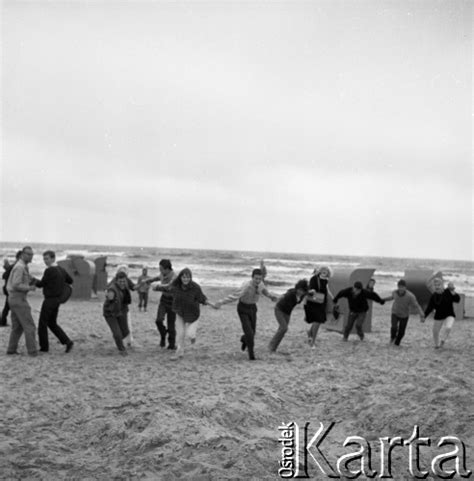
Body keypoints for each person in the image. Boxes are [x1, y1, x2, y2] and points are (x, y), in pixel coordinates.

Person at [215, 268, 279, 361]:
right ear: (252, 277)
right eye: (256, 278)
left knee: (252, 333)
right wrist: (221, 302)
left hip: (253, 308)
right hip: (243, 308)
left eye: (259, 279)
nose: (257, 281)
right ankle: (251, 355)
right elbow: (234, 296)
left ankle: (244, 339)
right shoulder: (246, 286)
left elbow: (264, 291)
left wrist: (271, 297)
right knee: (249, 332)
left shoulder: (260, 284)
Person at [167, 268, 217, 359]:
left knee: (190, 334)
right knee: (180, 333)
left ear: (190, 278)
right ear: (180, 277)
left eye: (188, 277)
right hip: (180, 312)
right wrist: (156, 287)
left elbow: (202, 298)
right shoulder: (176, 286)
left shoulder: (195, 287)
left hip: (193, 314)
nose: (185, 279)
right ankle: (179, 352)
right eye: (184, 277)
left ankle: (193, 337)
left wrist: (212, 304)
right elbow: (167, 288)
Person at [34, 250, 74, 353]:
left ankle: (44, 347)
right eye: (44, 259)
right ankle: (67, 341)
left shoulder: (49, 270)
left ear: (53, 258)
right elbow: (70, 281)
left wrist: (33, 280)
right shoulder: (61, 269)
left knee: (42, 323)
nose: (45, 261)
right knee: (52, 323)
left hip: (49, 300)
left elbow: (41, 284)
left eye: (47, 258)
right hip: (57, 300)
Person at [6, 246, 38, 356]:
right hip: (18, 298)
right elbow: (16, 284)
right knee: (29, 326)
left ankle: (11, 349)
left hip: (13, 298)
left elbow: (23, 279)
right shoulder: (20, 267)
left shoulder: (21, 266)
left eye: (32, 254)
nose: (31, 256)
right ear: (22, 255)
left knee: (17, 327)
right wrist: (30, 288)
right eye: (28, 254)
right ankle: (32, 351)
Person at [268, 279, 309, 353]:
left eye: (302, 291)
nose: (300, 292)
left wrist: (311, 292)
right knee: (284, 328)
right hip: (279, 310)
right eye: (299, 290)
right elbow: (286, 294)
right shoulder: (291, 293)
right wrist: (279, 297)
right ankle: (271, 346)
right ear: (297, 288)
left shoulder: (303, 295)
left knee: (282, 330)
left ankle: (273, 347)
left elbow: (308, 293)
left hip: (287, 312)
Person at [383, 279, 425, 346]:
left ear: (405, 287)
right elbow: (392, 297)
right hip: (395, 313)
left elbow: (416, 306)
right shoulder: (394, 292)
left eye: (402, 287)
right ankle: (392, 338)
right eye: (399, 287)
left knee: (401, 332)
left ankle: (396, 343)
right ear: (398, 287)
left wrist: (421, 315)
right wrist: (383, 300)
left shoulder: (410, 296)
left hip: (404, 315)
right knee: (394, 327)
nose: (401, 289)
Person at [148, 259, 178, 349]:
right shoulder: (162, 274)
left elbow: (169, 287)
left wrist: (157, 287)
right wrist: (146, 281)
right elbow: (156, 278)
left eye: (161, 268)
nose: (160, 270)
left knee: (171, 326)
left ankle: (171, 344)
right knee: (158, 320)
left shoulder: (174, 277)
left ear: (167, 269)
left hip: (173, 302)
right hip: (164, 300)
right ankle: (163, 334)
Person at [424, 278, 460, 349]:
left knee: (448, 327)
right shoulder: (434, 296)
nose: (437, 287)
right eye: (435, 285)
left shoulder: (448, 291)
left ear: (442, 285)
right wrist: (424, 316)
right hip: (439, 315)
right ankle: (437, 345)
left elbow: (457, 299)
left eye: (439, 285)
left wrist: (453, 291)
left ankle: (443, 340)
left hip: (449, 314)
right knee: (435, 331)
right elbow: (430, 307)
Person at [305, 266, 333, 348]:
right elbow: (310, 289)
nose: (324, 271)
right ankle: (312, 342)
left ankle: (310, 332)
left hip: (322, 302)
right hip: (314, 302)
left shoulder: (327, 281)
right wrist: (312, 290)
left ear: (328, 272)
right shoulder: (314, 278)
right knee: (317, 321)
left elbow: (327, 292)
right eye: (323, 269)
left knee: (318, 321)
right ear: (320, 271)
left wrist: (333, 299)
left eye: (327, 270)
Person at [103, 271, 130, 355]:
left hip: (120, 311)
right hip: (110, 313)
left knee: (125, 332)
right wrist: (108, 295)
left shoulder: (125, 288)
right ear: (116, 281)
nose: (122, 283)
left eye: (124, 281)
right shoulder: (112, 288)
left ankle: (117, 339)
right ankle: (121, 349)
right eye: (120, 281)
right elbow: (110, 294)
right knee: (118, 334)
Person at [111, 265, 135, 347]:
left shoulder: (127, 280)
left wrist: (143, 284)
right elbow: (108, 288)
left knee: (127, 325)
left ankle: (129, 341)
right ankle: (120, 342)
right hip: (116, 307)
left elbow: (134, 287)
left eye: (124, 271)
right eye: (121, 271)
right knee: (119, 326)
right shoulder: (115, 280)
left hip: (125, 306)